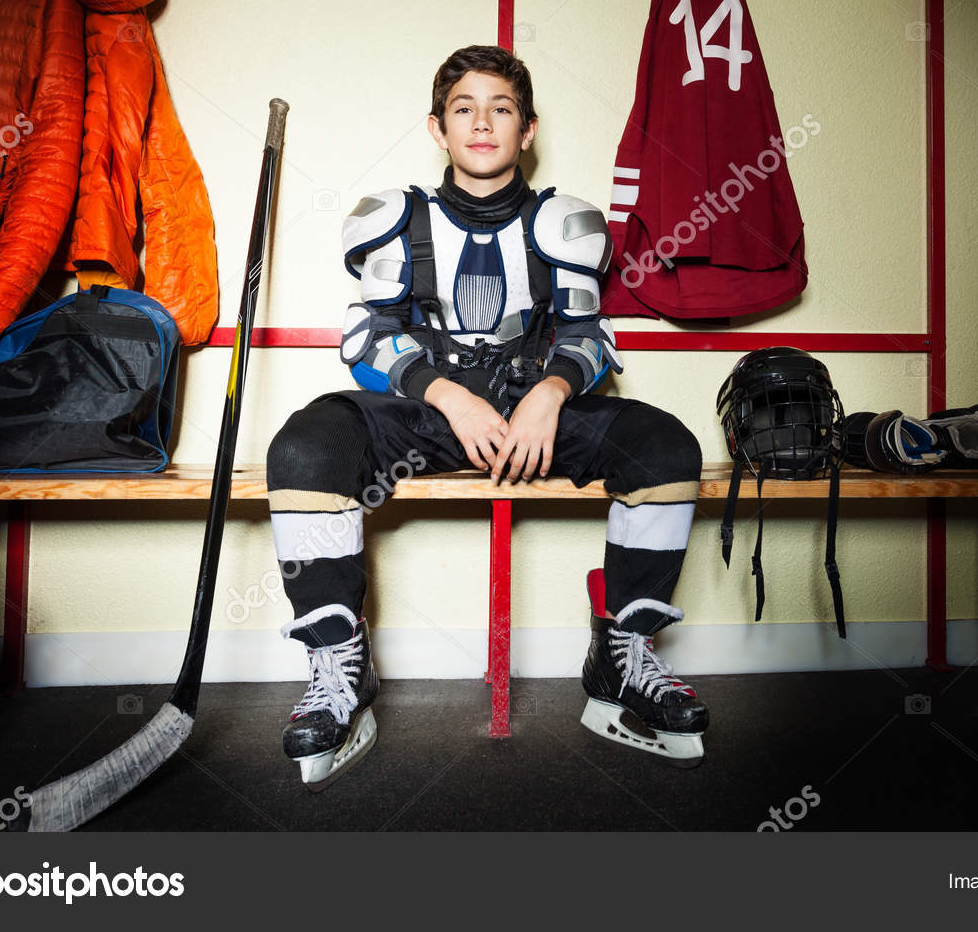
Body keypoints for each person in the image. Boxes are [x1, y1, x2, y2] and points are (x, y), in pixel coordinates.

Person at [265, 45, 709, 789]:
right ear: (437, 128)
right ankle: (340, 668)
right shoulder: (393, 219)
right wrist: (447, 393)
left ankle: (623, 655)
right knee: (306, 447)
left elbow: (588, 336)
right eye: (464, 109)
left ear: (527, 129)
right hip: (426, 419)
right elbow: (364, 337)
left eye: (501, 109)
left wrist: (551, 393)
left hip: (532, 418)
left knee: (664, 444)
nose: (482, 123)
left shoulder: (565, 224)